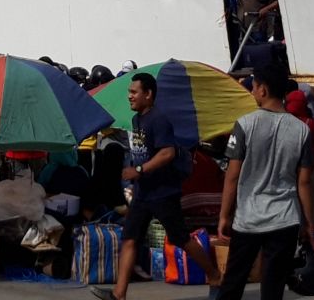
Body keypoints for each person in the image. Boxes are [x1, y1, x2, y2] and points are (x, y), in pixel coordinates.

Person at [89, 72, 220, 300]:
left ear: (148, 95)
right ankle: (119, 294)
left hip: (163, 192)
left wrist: (139, 170)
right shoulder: (136, 120)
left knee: (181, 239)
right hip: (143, 193)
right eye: (129, 92)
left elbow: (167, 152)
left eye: (134, 92)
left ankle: (215, 276)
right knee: (130, 238)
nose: (129, 96)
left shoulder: (159, 119)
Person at [216, 64, 314, 300]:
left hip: (248, 219)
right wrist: (310, 224)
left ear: (262, 90)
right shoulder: (301, 130)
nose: (252, 91)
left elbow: (232, 176)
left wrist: (224, 215)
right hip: (285, 219)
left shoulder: (244, 124)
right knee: (273, 288)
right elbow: (304, 183)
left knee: (233, 283)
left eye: (253, 86)